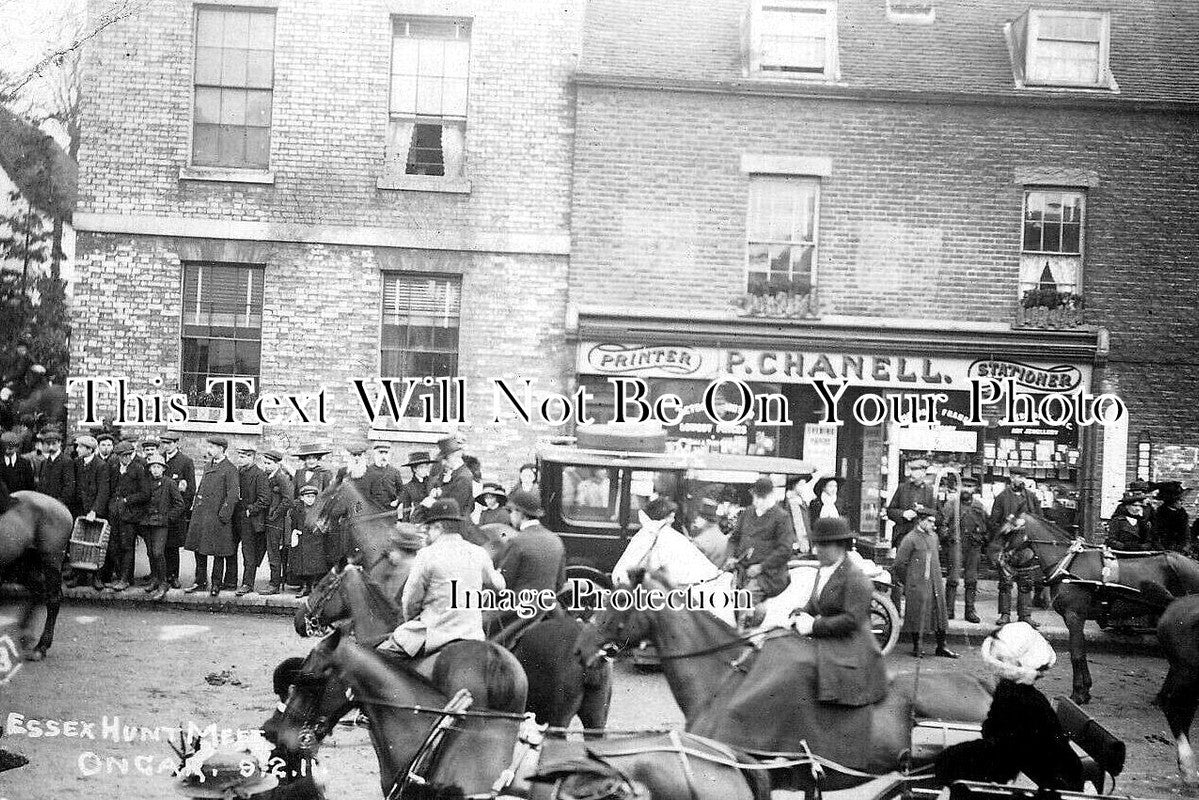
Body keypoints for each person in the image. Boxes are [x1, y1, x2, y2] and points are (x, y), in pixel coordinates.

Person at [935, 622, 1083, 790]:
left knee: (951, 765)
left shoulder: (1021, 701)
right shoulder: (1015, 692)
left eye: (1001, 661)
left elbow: (1005, 758)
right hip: (1044, 772)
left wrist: (952, 761)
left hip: (1055, 786)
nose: (996, 669)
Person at [382, 499, 505, 657]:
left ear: (439, 527)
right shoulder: (478, 552)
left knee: (382, 657)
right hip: (473, 635)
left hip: (436, 635)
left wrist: (412, 621)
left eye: (429, 529)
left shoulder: (426, 554)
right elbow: (499, 585)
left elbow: (410, 601)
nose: (428, 534)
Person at [791, 516, 888, 706]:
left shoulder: (856, 578)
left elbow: (852, 620)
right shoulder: (825, 569)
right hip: (830, 638)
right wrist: (799, 613)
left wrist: (813, 625)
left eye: (822, 546)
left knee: (798, 668)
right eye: (817, 544)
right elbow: (816, 603)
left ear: (840, 546)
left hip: (850, 647)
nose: (816, 550)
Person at [724, 477, 795, 621]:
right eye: (756, 497)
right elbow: (734, 539)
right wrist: (730, 556)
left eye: (762, 497)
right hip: (742, 570)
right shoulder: (747, 513)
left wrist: (761, 567)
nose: (758, 501)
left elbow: (785, 549)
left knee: (744, 600)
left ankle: (743, 635)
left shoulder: (782, 517)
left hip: (768, 575)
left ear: (771, 496)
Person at [892, 504, 958, 658]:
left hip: (935, 581)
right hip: (918, 584)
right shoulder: (910, 539)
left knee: (940, 614)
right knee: (917, 613)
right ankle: (917, 646)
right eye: (930, 521)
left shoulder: (933, 537)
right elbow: (899, 564)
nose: (933, 525)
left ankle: (941, 646)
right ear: (920, 521)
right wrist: (909, 581)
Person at [185, 436, 241, 597]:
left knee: (218, 552)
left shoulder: (230, 468)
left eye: (213, 447)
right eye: (209, 446)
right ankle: (200, 581)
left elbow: (232, 495)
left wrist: (224, 515)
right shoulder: (208, 466)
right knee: (199, 549)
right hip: (202, 516)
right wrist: (195, 508)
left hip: (217, 518)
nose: (209, 450)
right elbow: (201, 488)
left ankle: (216, 583)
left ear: (222, 449)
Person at [989, 467, 1039, 626]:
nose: (1020, 480)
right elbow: (993, 523)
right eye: (1017, 476)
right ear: (1011, 477)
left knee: (1026, 581)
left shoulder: (1031, 498)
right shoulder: (1002, 498)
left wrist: (1027, 524)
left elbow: (1039, 521)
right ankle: (1005, 614)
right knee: (1005, 581)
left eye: (1023, 476)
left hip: (1025, 546)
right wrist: (1008, 526)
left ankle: (1025, 615)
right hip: (1007, 545)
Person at [886, 458, 936, 610]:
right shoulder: (902, 488)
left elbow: (937, 514)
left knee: (918, 574)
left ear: (923, 472)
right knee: (898, 570)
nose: (912, 474)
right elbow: (890, 511)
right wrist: (903, 514)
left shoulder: (930, 491)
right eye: (911, 470)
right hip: (903, 535)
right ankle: (895, 609)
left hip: (921, 539)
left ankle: (914, 609)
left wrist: (923, 512)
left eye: (916, 471)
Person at [500, 488, 566, 593]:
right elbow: (560, 583)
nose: (510, 516)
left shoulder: (517, 542)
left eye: (510, 511)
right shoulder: (556, 540)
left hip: (520, 607)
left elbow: (504, 584)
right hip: (548, 606)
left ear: (519, 512)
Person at [104, 440, 149, 592]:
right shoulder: (115, 468)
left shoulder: (138, 470)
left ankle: (125, 579)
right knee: (114, 546)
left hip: (130, 515)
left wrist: (127, 500)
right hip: (115, 514)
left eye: (128, 455)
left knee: (127, 546)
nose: (126, 458)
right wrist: (112, 504)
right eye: (122, 456)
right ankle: (121, 577)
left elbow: (145, 494)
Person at [141, 453, 184, 599]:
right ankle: (155, 579)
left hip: (161, 524)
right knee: (150, 553)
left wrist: (168, 518)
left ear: (163, 469)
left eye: (158, 467)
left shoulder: (169, 483)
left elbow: (179, 504)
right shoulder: (146, 482)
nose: (155, 470)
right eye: (153, 467)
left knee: (158, 552)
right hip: (147, 522)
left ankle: (163, 583)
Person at [945, 477, 988, 624]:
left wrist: (981, 536)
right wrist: (947, 536)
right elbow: (942, 525)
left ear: (975, 489)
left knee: (971, 579)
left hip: (973, 546)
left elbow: (986, 527)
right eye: (964, 486)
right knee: (952, 578)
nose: (966, 489)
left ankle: (970, 610)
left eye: (970, 487)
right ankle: (949, 610)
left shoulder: (979, 506)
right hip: (956, 544)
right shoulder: (951, 505)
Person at [233, 444, 271, 595]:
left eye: (243, 456)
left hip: (250, 520)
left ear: (251, 457)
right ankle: (230, 581)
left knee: (248, 553)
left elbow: (265, 499)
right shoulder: (238, 472)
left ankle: (247, 584)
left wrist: (251, 510)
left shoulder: (259, 475)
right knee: (232, 549)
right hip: (236, 517)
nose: (240, 459)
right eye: (239, 456)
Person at [161, 431, 195, 589]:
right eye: (164, 443)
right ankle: (160, 575)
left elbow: (190, 490)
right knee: (160, 545)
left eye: (169, 443)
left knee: (173, 546)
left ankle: (173, 575)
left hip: (176, 512)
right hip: (161, 511)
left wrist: (182, 510)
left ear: (176, 444)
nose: (166, 446)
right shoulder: (160, 459)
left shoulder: (185, 461)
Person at [260, 449, 294, 595]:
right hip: (268, 519)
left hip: (277, 521)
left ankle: (274, 584)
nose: (266, 466)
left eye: (269, 463)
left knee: (274, 552)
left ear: (276, 464)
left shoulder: (281, 478)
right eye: (265, 463)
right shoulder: (269, 476)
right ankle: (275, 581)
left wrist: (275, 514)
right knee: (270, 551)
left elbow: (288, 500)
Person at [287, 485, 327, 597]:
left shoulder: (319, 509)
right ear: (302, 498)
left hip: (315, 540)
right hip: (302, 539)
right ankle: (305, 586)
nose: (310, 499)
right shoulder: (297, 509)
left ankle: (314, 586)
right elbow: (293, 523)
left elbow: (324, 524)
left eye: (312, 497)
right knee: (302, 564)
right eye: (308, 496)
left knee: (314, 564)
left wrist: (318, 529)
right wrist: (295, 532)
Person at [428, 435, 474, 514]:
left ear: (454, 456)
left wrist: (437, 496)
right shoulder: (452, 472)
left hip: (457, 521)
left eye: (445, 459)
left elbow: (456, 505)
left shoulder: (463, 477)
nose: (443, 463)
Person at [34, 429, 74, 508]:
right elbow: (41, 485)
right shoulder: (44, 462)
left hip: (59, 506)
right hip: (46, 505)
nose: (51, 447)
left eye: (53, 443)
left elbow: (69, 487)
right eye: (48, 444)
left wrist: (59, 503)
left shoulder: (66, 461)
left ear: (59, 443)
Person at [689, 496, 730, 568]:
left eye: (699, 517)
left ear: (707, 520)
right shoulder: (717, 534)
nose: (695, 520)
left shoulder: (705, 539)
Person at [783, 472, 816, 554]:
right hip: (793, 545)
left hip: (805, 543)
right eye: (801, 485)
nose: (803, 487)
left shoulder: (802, 503)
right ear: (794, 485)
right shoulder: (787, 503)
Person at [1154, 482, 1191, 554]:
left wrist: (1184, 549)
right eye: (1179, 500)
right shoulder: (1159, 514)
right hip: (1164, 551)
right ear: (1171, 501)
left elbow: (1186, 535)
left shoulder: (1183, 515)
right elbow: (1155, 536)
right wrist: (1163, 551)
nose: (1182, 502)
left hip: (1181, 550)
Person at [398, 451, 437, 520]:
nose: (425, 470)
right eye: (421, 467)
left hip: (433, 520)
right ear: (414, 469)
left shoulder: (434, 483)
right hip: (418, 520)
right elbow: (406, 511)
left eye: (426, 467)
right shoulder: (408, 487)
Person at [365, 442, 404, 511]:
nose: (383, 456)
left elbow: (401, 491)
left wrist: (397, 501)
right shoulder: (367, 471)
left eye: (386, 453)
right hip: (373, 512)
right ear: (375, 454)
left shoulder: (395, 472)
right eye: (380, 453)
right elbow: (364, 493)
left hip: (390, 510)